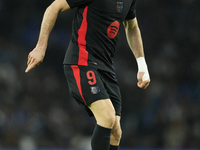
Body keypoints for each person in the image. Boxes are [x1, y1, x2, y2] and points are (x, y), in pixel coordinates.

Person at [25, 0, 150, 149]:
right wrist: (40, 47)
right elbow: (54, 7)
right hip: (81, 61)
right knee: (107, 115)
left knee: (115, 132)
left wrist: (142, 65)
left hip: (106, 67)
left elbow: (132, 27)